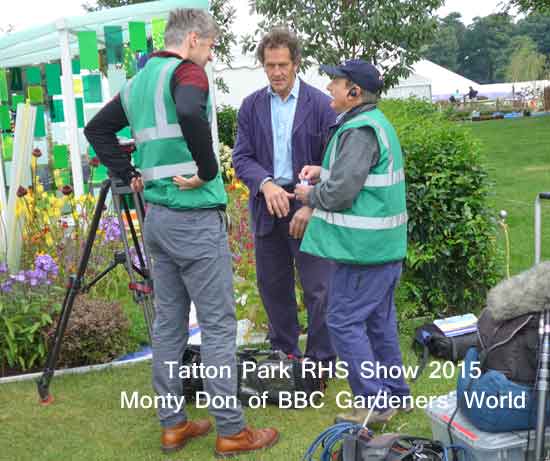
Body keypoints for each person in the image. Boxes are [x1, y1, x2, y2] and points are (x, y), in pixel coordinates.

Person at [84, 9, 278, 457]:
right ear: (193, 40)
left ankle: (173, 425)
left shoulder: (139, 82)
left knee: (169, 325)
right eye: (210, 48)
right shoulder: (186, 72)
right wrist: (209, 169)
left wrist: (126, 171)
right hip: (193, 219)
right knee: (217, 326)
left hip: (158, 221)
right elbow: (190, 109)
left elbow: (97, 129)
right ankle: (231, 431)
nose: (210, 58)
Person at [294, 59, 411, 425]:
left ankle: (374, 402)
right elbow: (354, 177)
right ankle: (396, 395)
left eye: (336, 82)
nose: (329, 88)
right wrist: (322, 172)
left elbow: (342, 193)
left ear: (354, 92)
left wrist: (308, 194)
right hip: (382, 249)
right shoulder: (374, 123)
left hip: (362, 252)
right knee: (378, 323)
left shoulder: (359, 130)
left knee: (343, 321)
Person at [232, 27, 336, 367]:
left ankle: (320, 361)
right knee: (273, 288)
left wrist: (311, 203)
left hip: (308, 206)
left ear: (296, 64)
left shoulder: (321, 105)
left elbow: (334, 163)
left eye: (282, 65)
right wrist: (265, 183)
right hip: (268, 204)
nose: (276, 72)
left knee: (319, 290)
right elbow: (241, 158)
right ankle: (284, 355)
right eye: (269, 65)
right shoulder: (250, 106)